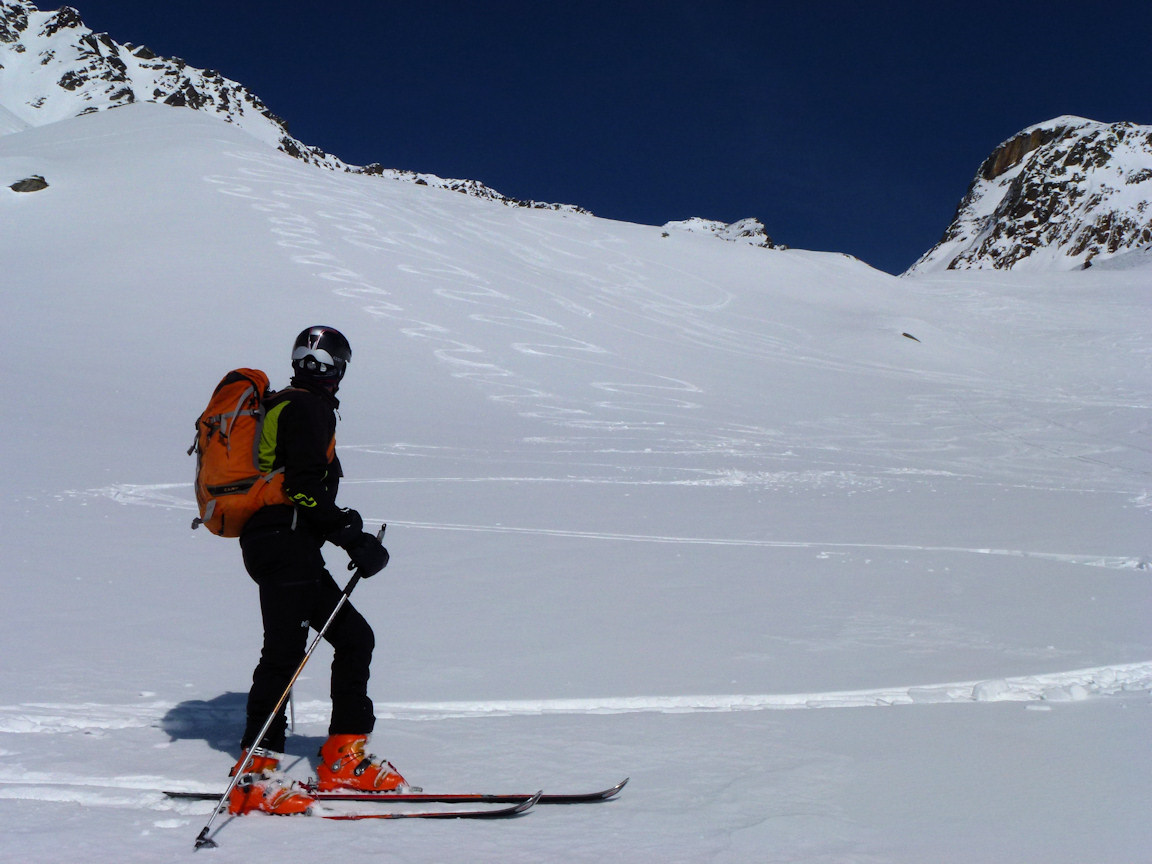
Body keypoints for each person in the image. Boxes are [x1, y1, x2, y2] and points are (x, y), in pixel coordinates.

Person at [228, 325, 404, 816]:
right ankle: (254, 777)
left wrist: (341, 527)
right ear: (340, 369)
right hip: (283, 542)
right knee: (284, 654)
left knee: (353, 638)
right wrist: (351, 535)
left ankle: (341, 758)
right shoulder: (308, 407)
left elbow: (304, 490)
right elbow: (304, 488)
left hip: (285, 542)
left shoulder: (293, 404)